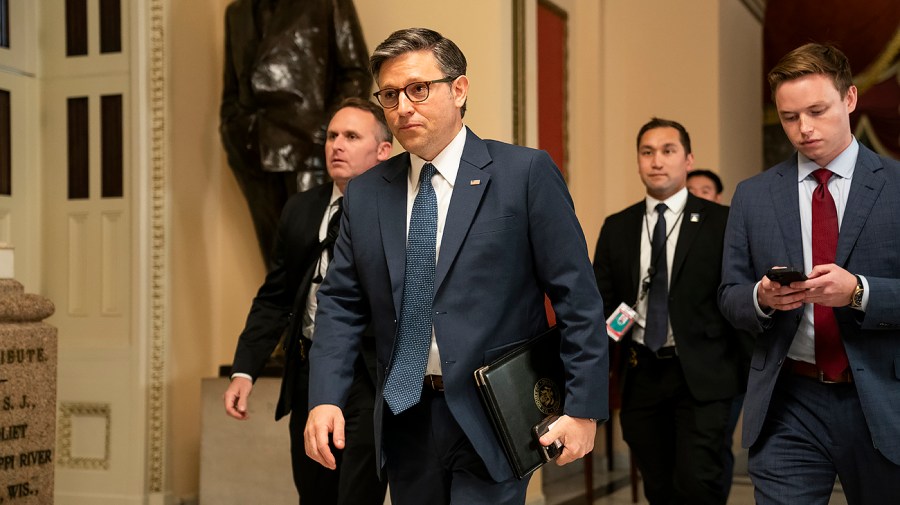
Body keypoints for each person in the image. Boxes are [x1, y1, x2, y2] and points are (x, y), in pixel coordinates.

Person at [303, 27, 608, 505]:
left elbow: (577, 298)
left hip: (496, 415)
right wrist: (324, 397)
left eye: (418, 89)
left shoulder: (523, 174)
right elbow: (341, 304)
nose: (403, 107)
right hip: (406, 417)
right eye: (390, 95)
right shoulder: (366, 195)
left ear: (459, 89)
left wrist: (584, 408)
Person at [718, 43, 900, 504]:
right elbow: (729, 294)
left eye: (817, 111)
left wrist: (859, 292)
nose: (804, 129)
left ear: (850, 98)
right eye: (789, 117)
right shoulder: (753, 196)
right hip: (788, 401)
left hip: (882, 399)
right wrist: (761, 298)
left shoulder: (896, 186)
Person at [223, 98, 392, 505]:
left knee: (358, 494)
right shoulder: (300, 209)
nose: (337, 145)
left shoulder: (399, 210)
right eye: (332, 136)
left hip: (369, 375)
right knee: (314, 492)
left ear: (383, 150)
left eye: (351, 136)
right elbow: (275, 297)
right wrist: (245, 369)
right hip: (309, 372)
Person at [593, 118, 743, 504]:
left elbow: (738, 298)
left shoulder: (721, 222)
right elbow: (601, 303)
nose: (656, 161)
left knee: (698, 483)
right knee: (658, 486)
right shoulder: (618, 227)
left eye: (668, 151)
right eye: (647, 152)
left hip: (702, 376)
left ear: (688, 159)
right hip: (640, 373)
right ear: (638, 161)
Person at [219, 0, 372, 266]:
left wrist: (324, 134)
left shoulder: (328, 3)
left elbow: (356, 73)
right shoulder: (237, 12)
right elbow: (231, 88)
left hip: (309, 153)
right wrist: (234, 133)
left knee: (319, 264)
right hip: (254, 155)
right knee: (276, 267)